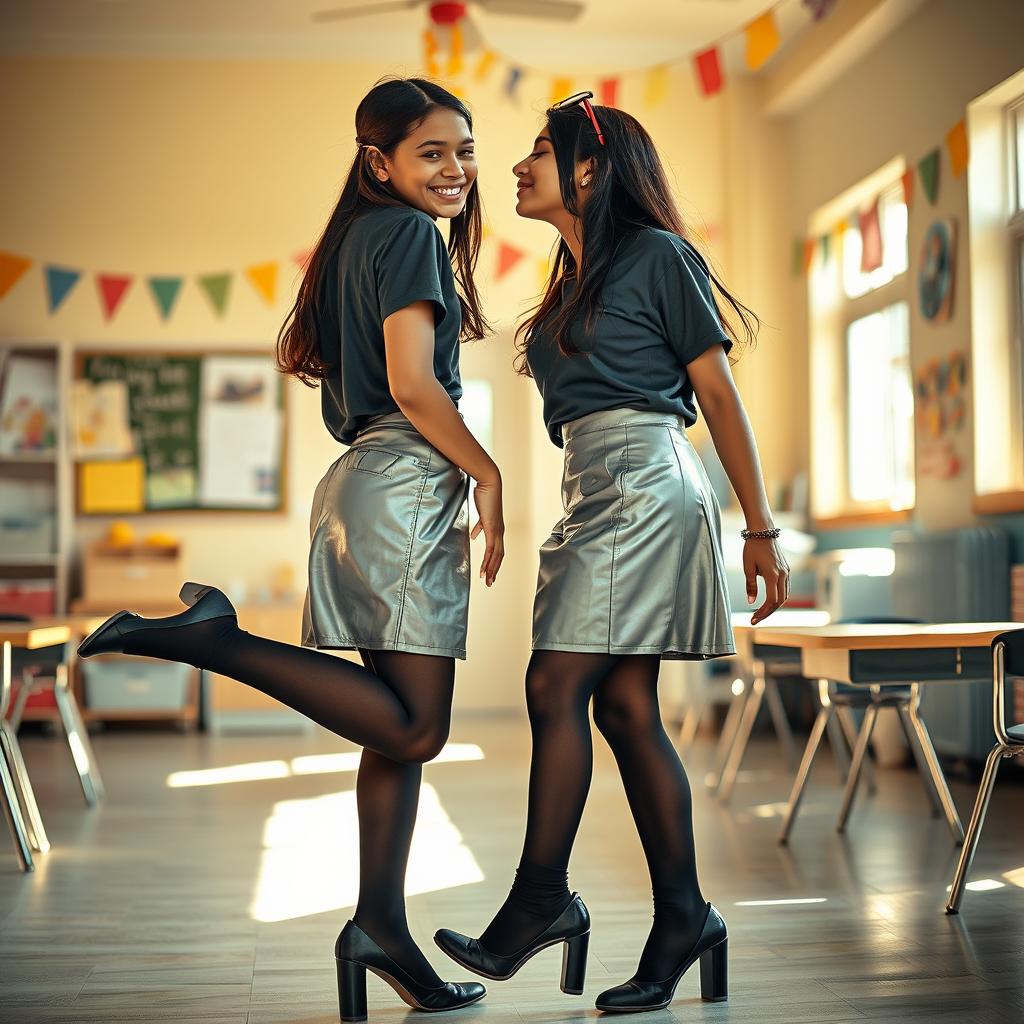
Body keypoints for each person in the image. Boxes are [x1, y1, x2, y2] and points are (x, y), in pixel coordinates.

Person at [77, 77, 504, 1023]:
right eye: (433, 152)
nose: (457, 170)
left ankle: (380, 929)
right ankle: (214, 638)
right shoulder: (406, 237)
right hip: (404, 479)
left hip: (365, 484)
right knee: (417, 728)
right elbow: (413, 384)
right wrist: (491, 473)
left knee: (393, 728)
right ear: (379, 160)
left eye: (466, 150)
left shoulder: (355, 239)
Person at [433, 92, 790, 1015]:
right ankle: (686, 918)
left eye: (538, 154)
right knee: (627, 708)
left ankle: (540, 899)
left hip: (647, 482)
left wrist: (759, 528)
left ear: (590, 171)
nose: (516, 168)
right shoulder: (569, 280)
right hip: (590, 488)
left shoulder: (658, 257)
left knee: (555, 686)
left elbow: (717, 393)